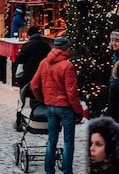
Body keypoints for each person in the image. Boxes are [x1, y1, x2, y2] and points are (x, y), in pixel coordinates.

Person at [31, 36, 83, 174]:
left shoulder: (44, 63)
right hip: (65, 108)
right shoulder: (67, 66)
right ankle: (67, 171)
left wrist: (43, 99)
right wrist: (79, 111)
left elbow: (34, 85)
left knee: (51, 139)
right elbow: (71, 93)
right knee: (68, 142)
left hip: (50, 106)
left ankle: (49, 170)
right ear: (66, 48)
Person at [14, 26, 51, 129]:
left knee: (22, 99)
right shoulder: (46, 46)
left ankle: (19, 121)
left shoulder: (27, 46)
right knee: (40, 98)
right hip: (42, 77)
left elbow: (20, 60)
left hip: (28, 77)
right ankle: (40, 119)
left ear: (30, 35)